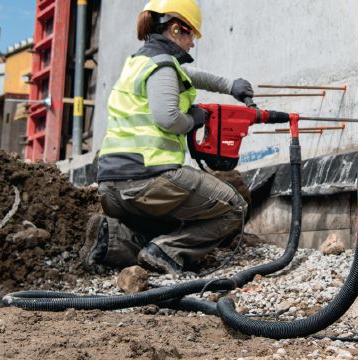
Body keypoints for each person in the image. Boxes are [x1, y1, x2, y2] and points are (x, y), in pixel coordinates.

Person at [83, 0, 252, 276]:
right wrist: (194, 120)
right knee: (235, 208)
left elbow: (188, 75)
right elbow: (168, 118)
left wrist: (229, 86)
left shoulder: (138, 63)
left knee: (173, 225)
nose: (193, 44)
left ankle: (112, 238)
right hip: (148, 180)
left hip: (111, 187)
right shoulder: (162, 68)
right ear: (175, 30)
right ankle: (166, 253)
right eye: (191, 35)